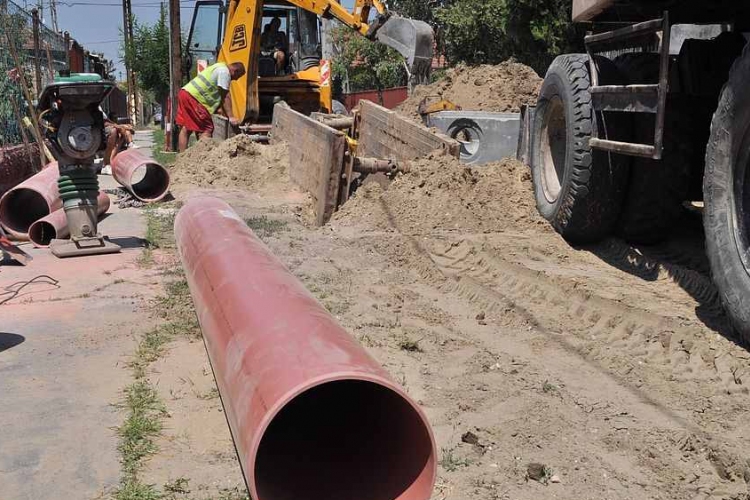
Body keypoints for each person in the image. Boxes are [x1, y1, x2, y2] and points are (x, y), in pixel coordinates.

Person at [176, 61, 246, 152]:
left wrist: (219, 109)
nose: (236, 80)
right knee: (206, 129)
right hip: (195, 98)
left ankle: (182, 159)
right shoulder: (224, 72)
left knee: (186, 128)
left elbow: (217, 94)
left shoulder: (218, 66)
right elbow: (225, 95)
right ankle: (202, 159)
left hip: (185, 93)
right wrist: (231, 117)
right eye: (238, 76)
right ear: (235, 70)